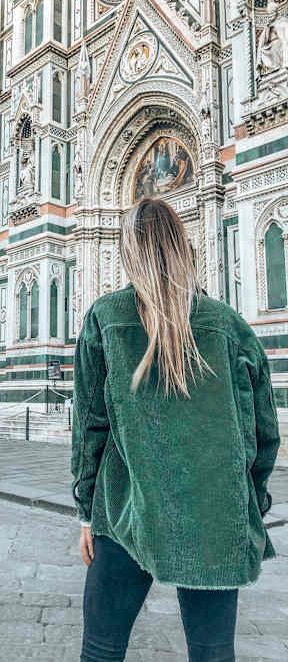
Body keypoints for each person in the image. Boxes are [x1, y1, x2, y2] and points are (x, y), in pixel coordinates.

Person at [72, 198, 280, 662]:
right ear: (185, 248)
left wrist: (87, 511)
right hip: (216, 520)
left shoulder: (105, 318)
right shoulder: (230, 326)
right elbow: (263, 435)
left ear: (127, 251)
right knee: (212, 654)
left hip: (126, 515)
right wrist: (251, 503)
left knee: (101, 651)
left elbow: (90, 428)